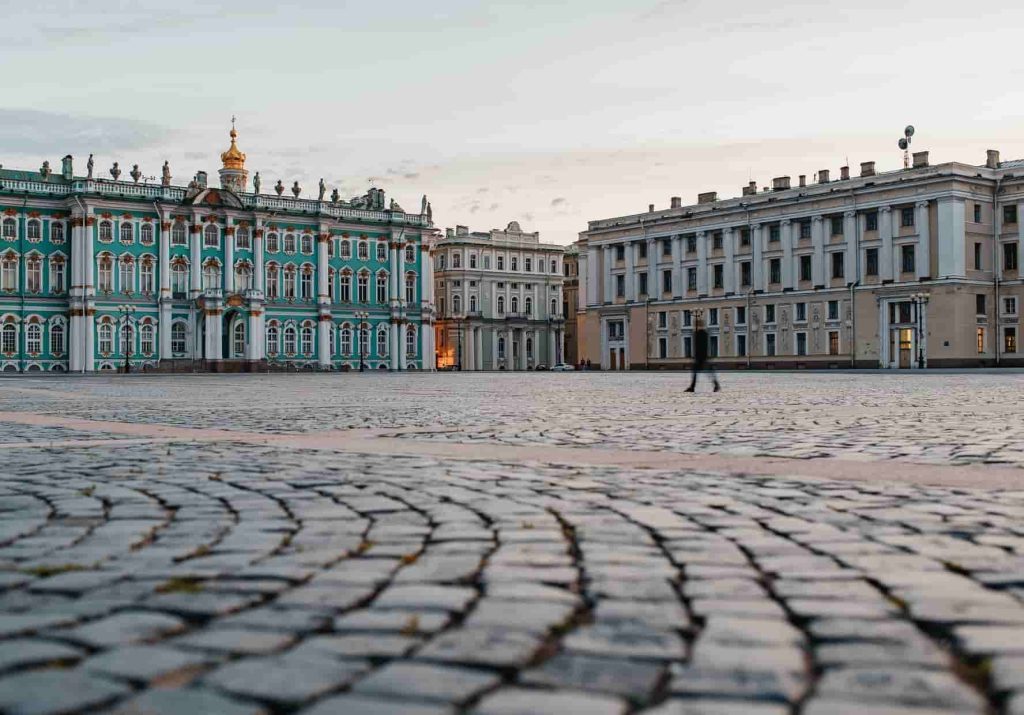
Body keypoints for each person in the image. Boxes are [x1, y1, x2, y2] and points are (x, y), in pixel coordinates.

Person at [686, 317, 720, 392]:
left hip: (701, 357)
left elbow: (701, 346)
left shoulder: (700, 334)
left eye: (696, 324)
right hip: (702, 357)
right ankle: (716, 385)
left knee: (705, 372)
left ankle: (693, 387)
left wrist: (697, 356)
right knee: (706, 372)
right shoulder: (702, 333)